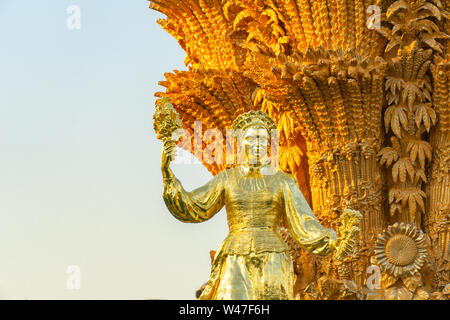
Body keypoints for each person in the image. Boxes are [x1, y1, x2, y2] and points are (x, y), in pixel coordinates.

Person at [160, 110, 357, 300]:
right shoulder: (228, 179)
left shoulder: (283, 181)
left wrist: (333, 241)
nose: (257, 145)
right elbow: (194, 206)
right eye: (252, 138)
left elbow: (304, 222)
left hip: (272, 256)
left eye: (262, 139)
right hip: (235, 255)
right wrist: (167, 172)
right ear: (241, 142)